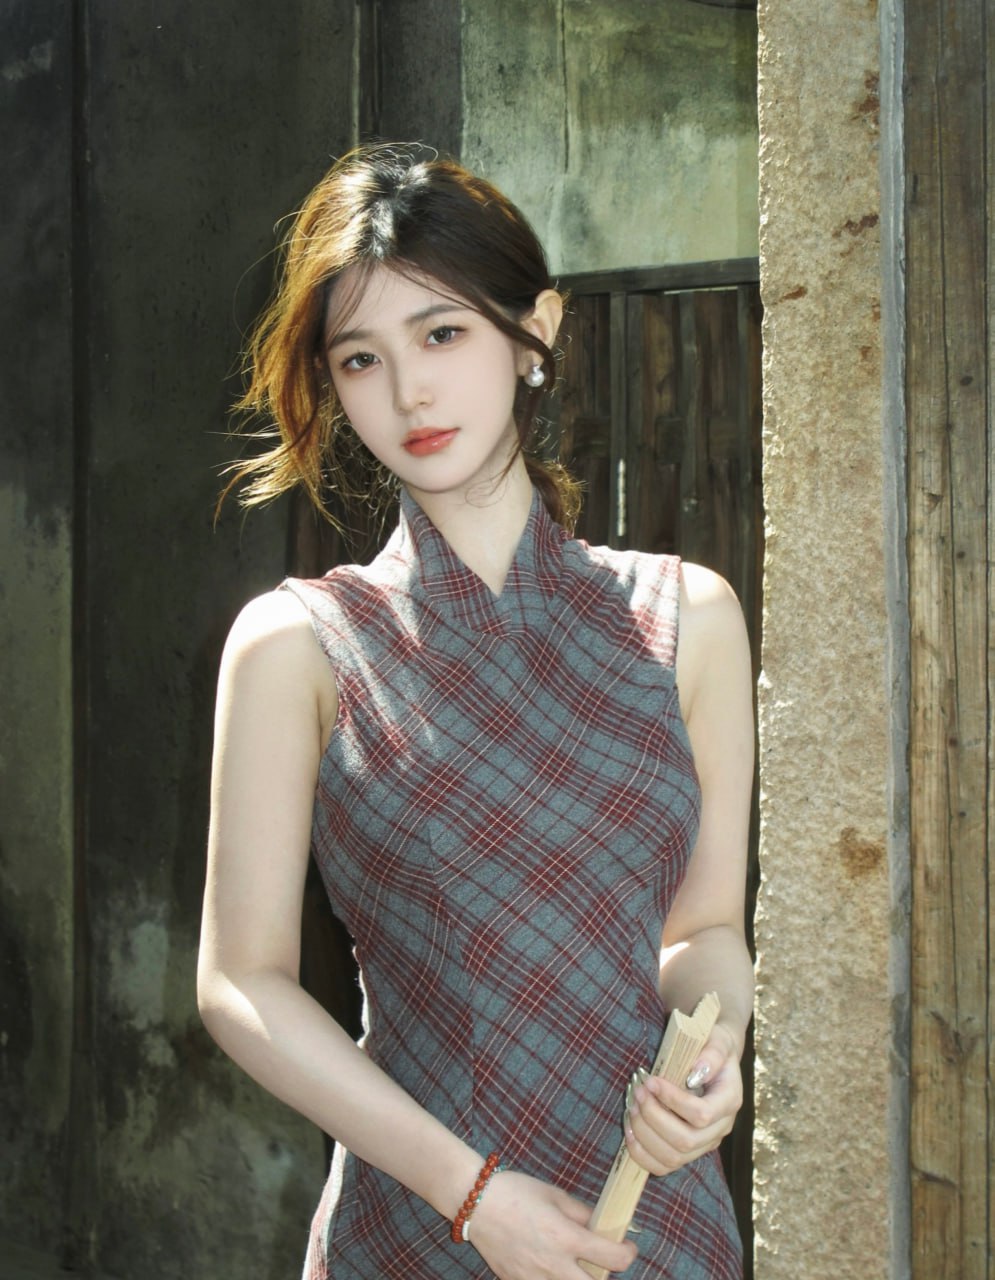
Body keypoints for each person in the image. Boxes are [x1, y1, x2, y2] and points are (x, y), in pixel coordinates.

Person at [197, 142, 755, 1280]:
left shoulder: (687, 616)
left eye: (442, 333)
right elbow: (239, 980)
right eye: (362, 357)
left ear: (532, 331)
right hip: (416, 1226)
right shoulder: (300, 645)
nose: (408, 391)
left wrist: (715, 1053)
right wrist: (473, 1194)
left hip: (652, 1220)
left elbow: (699, 931)